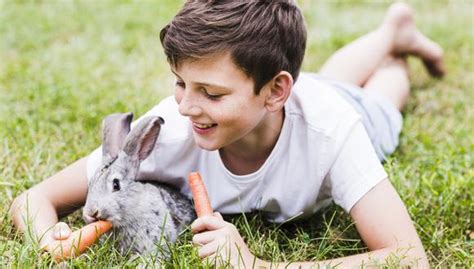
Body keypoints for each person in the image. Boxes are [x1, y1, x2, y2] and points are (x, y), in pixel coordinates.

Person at [10, 1, 445, 267]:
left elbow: (408, 257)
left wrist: (256, 265)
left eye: (211, 93)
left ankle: (394, 39)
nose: (186, 106)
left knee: (383, 102)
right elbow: (33, 199)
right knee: (328, 79)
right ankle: (391, 33)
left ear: (275, 90)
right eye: (181, 83)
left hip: (345, 109)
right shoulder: (171, 129)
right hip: (296, 94)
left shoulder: (333, 132)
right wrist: (48, 238)